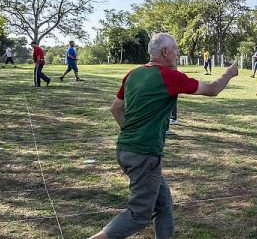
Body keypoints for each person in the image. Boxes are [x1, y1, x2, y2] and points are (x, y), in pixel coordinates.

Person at [88, 33, 239, 239]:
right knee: (139, 215)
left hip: (125, 150)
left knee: (164, 204)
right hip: (145, 155)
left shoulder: (133, 74)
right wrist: (229, 73)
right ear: (165, 52)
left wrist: (132, 134)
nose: (178, 53)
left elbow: (116, 109)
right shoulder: (167, 77)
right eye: (176, 49)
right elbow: (212, 89)